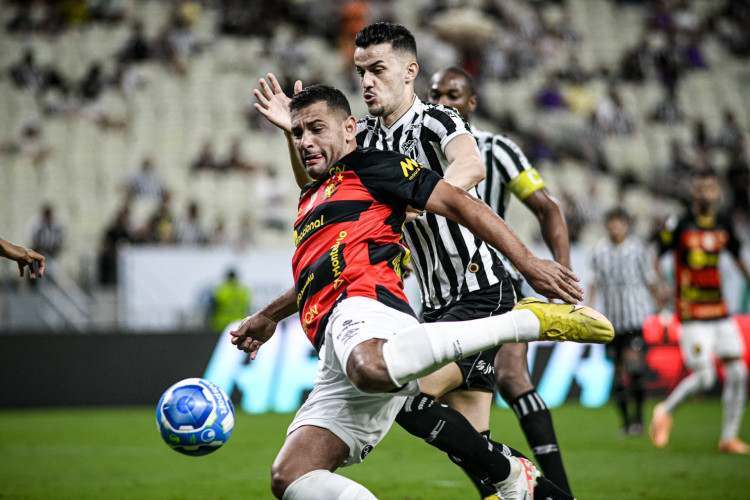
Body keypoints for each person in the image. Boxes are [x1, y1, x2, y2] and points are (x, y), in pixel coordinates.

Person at [231, 83, 613, 500]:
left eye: (316, 129)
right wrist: (268, 315)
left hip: (369, 308)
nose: (305, 142)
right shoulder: (314, 197)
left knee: (376, 371)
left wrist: (529, 262)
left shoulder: (374, 165)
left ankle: (526, 321)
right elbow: (315, 276)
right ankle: (513, 478)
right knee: (291, 475)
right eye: (298, 133)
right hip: (332, 344)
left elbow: (460, 202)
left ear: (349, 129)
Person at [427, 65, 573, 494]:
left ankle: (559, 490)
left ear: (471, 103)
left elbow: (548, 208)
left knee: (511, 376)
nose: (442, 103)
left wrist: (561, 276)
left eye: (453, 95)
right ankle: (507, 487)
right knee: (459, 412)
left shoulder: (497, 149)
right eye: (435, 94)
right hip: (441, 294)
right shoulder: (414, 151)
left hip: (495, 283)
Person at [650, 169, 750, 454]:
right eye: (701, 188)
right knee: (705, 377)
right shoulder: (680, 223)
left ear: (718, 192)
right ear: (694, 192)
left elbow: (737, 255)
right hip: (692, 311)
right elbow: (655, 255)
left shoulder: (723, 223)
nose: (706, 193)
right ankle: (664, 410)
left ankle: (728, 437)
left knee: (739, 372)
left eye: (711, 188)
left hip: (719, 310)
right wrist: (661, 285)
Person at [588, 208, 663, 437]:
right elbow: (593, 282)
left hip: (635, 318)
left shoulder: (638, 249)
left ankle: (639, 419)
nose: (615, 227)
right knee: (618, 374)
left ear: (626, 225)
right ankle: (627, 423)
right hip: (611, 322)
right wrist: (588, 310)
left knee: (635, 367)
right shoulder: (598, 251)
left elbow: (649, 278)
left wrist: (659, 303)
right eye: (611, 223)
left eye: (619, 223)